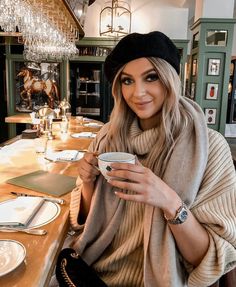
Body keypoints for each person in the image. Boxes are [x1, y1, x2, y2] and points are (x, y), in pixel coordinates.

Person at [69, 31, 236, 287]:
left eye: (151, 77)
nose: (138, 92)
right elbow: (88, 221)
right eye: (127, 81)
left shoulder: (210, 147)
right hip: (95, 273)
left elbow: (210, 257)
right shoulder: (107, 137)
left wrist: (169, 201)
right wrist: (88, 181)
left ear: (170, 79)